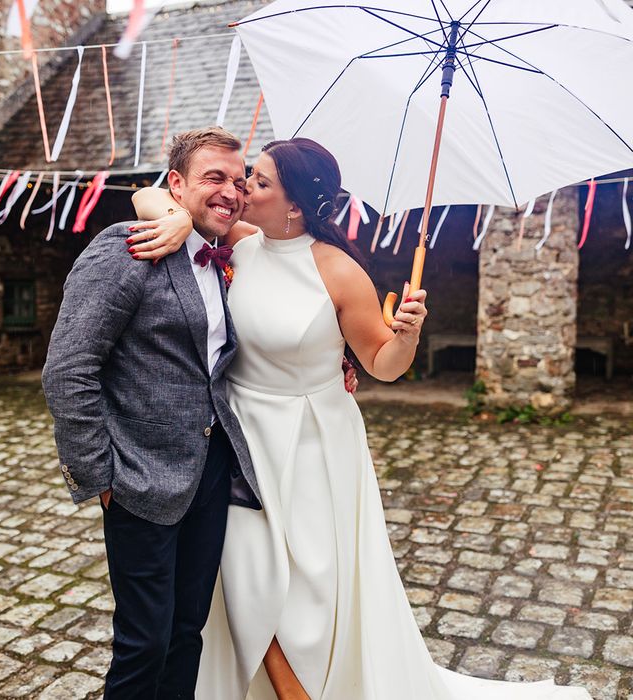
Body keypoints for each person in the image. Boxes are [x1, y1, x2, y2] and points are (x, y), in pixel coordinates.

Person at [129, 137, 592, 699]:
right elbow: (143, 199)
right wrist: (178, 222)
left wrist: (409, 333)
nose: (243, 188)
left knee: (309, 589)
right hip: (241, 437)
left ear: (296, 205)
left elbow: (383, 364)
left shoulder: (340, 272)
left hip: (313, 443)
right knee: (246, 574)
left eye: (260, 181)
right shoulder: (242, 244)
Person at [41, 127, 263, 700]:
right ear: (176, 185)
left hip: (210, 473)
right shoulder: (128, 244)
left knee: (188, 632)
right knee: (143, 643)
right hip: (138, 477)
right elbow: (68, 368)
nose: (230, 193)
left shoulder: (221, 260)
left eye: (239, 183)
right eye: (214, 178)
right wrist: (100, 477)